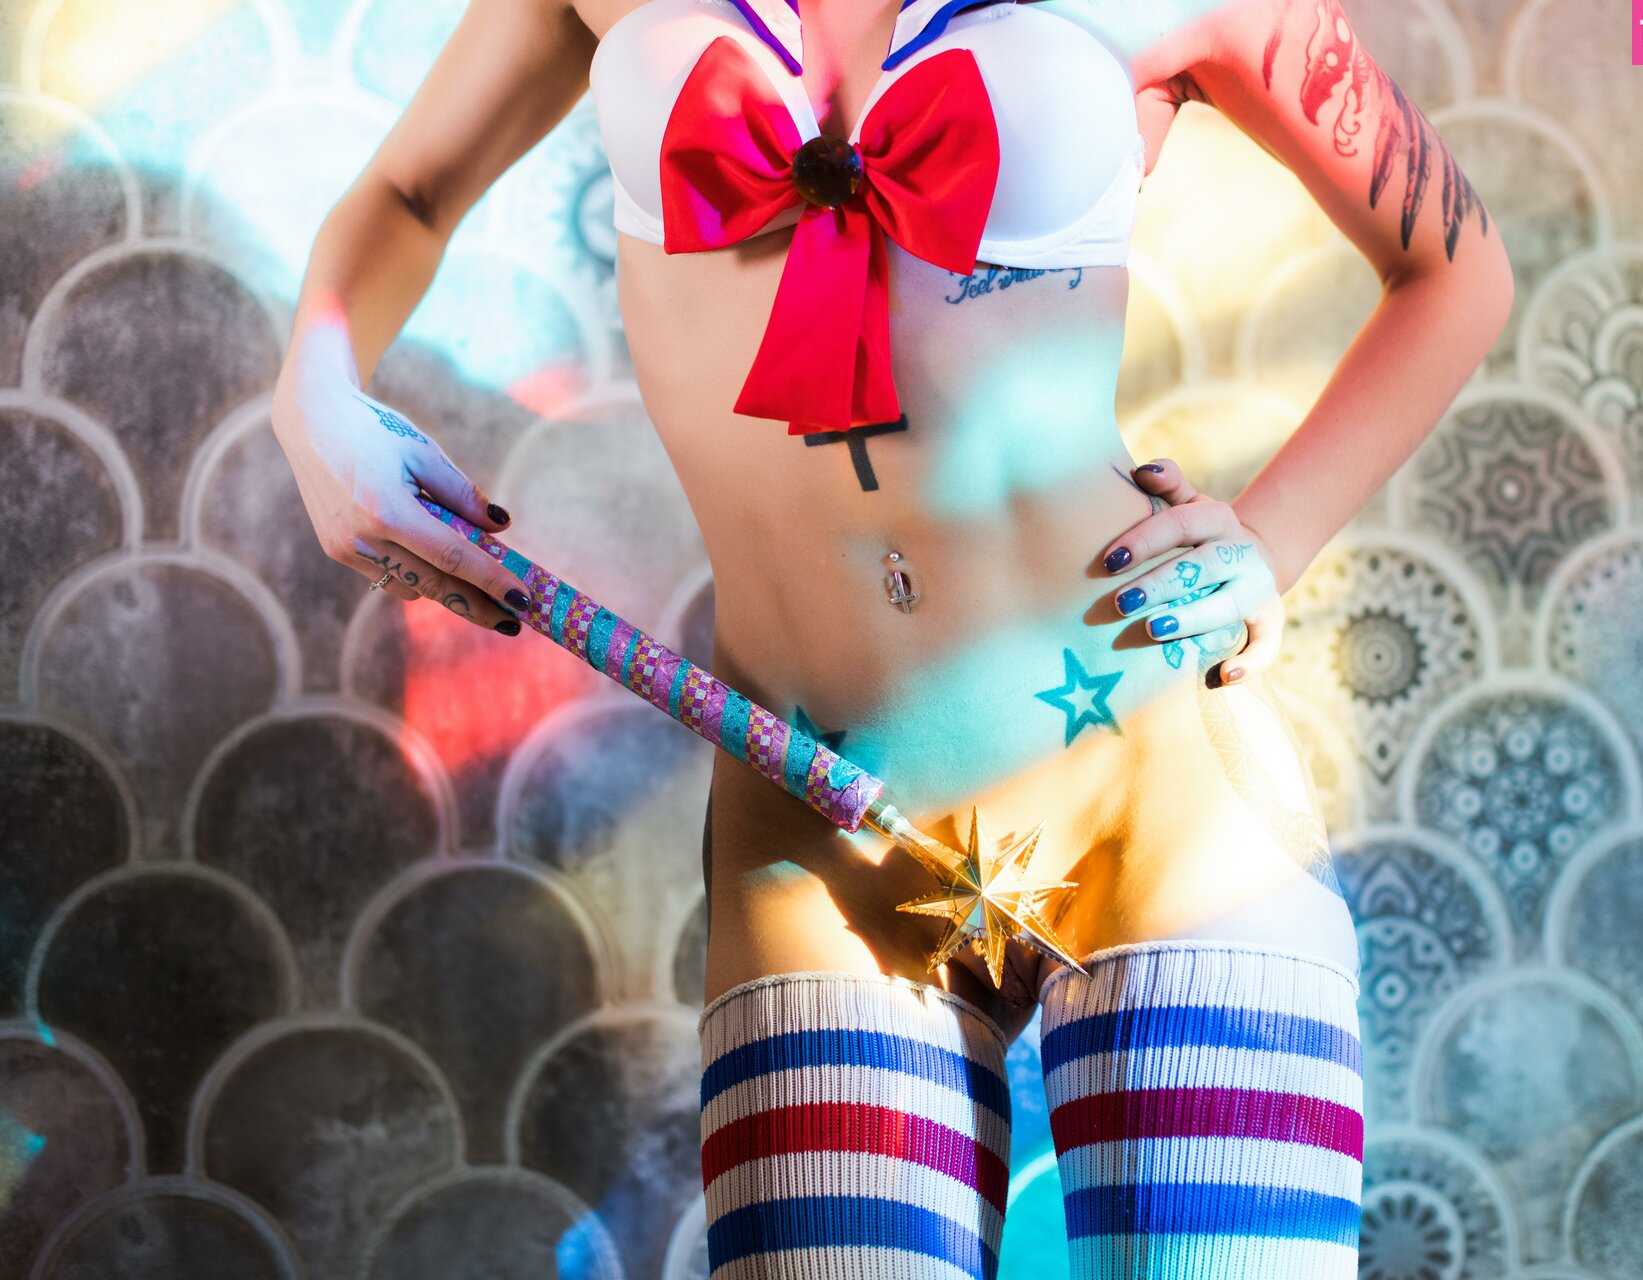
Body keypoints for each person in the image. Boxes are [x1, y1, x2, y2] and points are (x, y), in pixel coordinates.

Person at [270, 0, 1513, 1275]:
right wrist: (313, 393)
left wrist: (1269, 540)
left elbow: (1454, 267)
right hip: (814, 842)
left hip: (1158, 800)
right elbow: (409, 193)